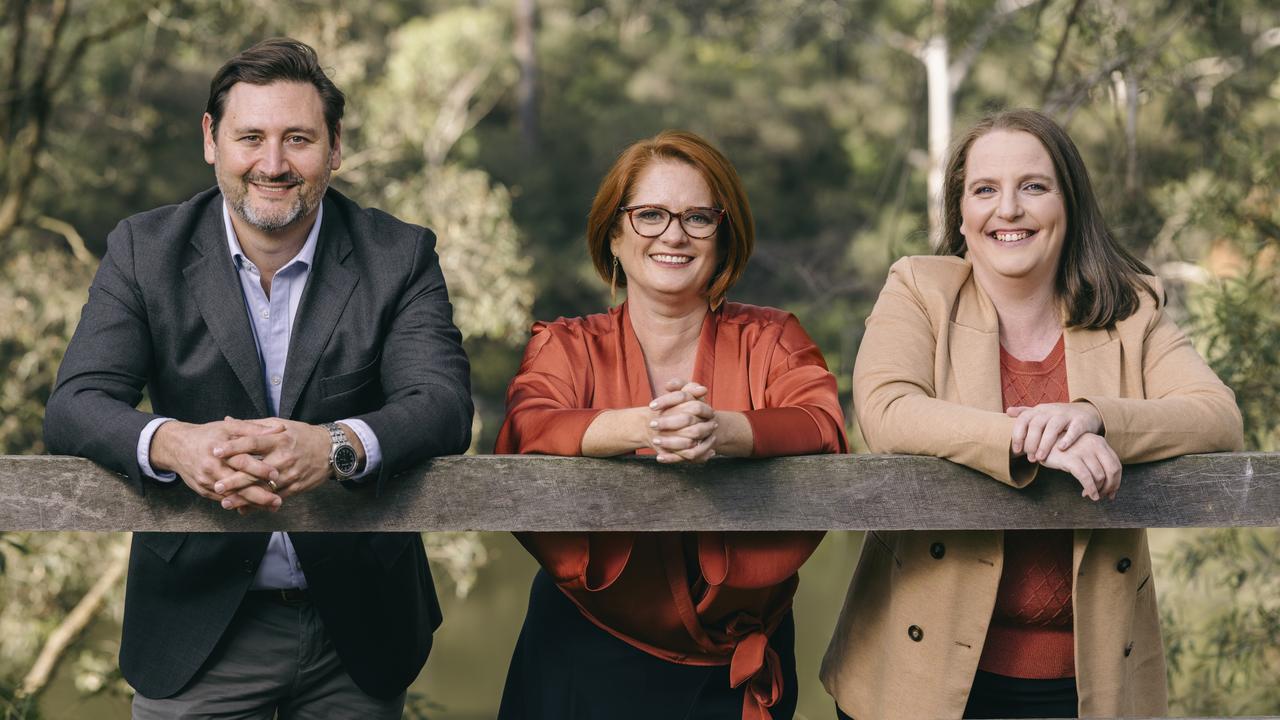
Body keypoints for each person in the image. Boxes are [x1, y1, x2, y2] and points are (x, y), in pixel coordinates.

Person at [43, 38, 472, 718]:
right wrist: (173, 444)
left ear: (334, 147)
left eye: (298, 138)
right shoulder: (143, 249)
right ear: (212, 140)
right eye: (251, 137)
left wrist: (335, 446)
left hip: (358, 629)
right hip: (194, 627)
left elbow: (444, 404)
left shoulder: (400, 254)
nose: (273, 164)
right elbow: (75, 404)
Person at [819, 109, 1244, 719]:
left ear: (1068, 207)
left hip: (1087, 678)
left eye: (1034, 187)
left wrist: (1094, 417)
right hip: (922, 671)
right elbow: (884, 410)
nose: (1009, 209)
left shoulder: (1132, 308)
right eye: (985, 190)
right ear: (961, 216)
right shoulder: (918, 288)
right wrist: (1025, 435)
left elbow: (1217, 416)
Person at [494, 130, 847, 720]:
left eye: (698, 217)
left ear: (722, 233)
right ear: (614, 232)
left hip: (734, 673)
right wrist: (643, 428)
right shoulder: (566, 346)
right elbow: (528, 425)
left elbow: (824, 425)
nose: (674, 235)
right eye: (650, 215)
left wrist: (723, 431)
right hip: (583, 656)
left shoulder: (773, 339)